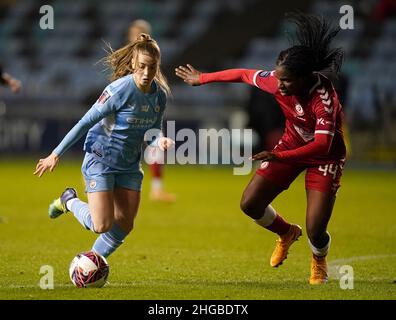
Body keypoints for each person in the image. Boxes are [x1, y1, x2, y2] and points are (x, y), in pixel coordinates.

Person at [175, 12, 346, 285]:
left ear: (304, 78)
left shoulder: (323, 99)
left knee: (316, 228)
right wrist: (203, 78)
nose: (278, 85)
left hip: (324, 157)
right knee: (250, 203)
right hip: (292, 144)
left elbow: (322, 144)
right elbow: (244, 74)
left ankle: (318, 259)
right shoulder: (278, 81)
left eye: (286, 81)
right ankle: (287, 232)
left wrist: (278, 155)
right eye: (278, 78)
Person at [34, 33, 174, 259]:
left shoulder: (159, 96)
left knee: (125, 225)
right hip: (101, 160)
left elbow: (153, 131)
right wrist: (55, 154)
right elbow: (85, 121)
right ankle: (68, 200)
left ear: (158, 65)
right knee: (101, 225)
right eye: (142, 66)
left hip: (129, 166)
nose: (147, 73)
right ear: (132, 64)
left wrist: (160, 140)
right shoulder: (119, 90)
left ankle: (90, 265)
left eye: (152, 67)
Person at [128, 19, 177, 202]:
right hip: (127, 112)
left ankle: (156, 190)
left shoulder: (150, 58)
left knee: (156, 147)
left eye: (141, 32)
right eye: (136, 32)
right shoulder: (129, 58)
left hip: (146, 111)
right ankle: (95, 181)